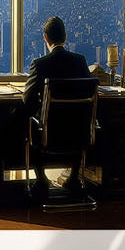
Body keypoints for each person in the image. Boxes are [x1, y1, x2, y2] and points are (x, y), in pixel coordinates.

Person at [23, 16, 92, 197]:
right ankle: (74, 177)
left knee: (28, 121)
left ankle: (41, 180)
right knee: (77, 120)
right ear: (65, 37)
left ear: (45, 37)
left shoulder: (40, 65)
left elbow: (27, 100)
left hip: (49, 132)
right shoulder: (80, 62)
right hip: (78, 132)